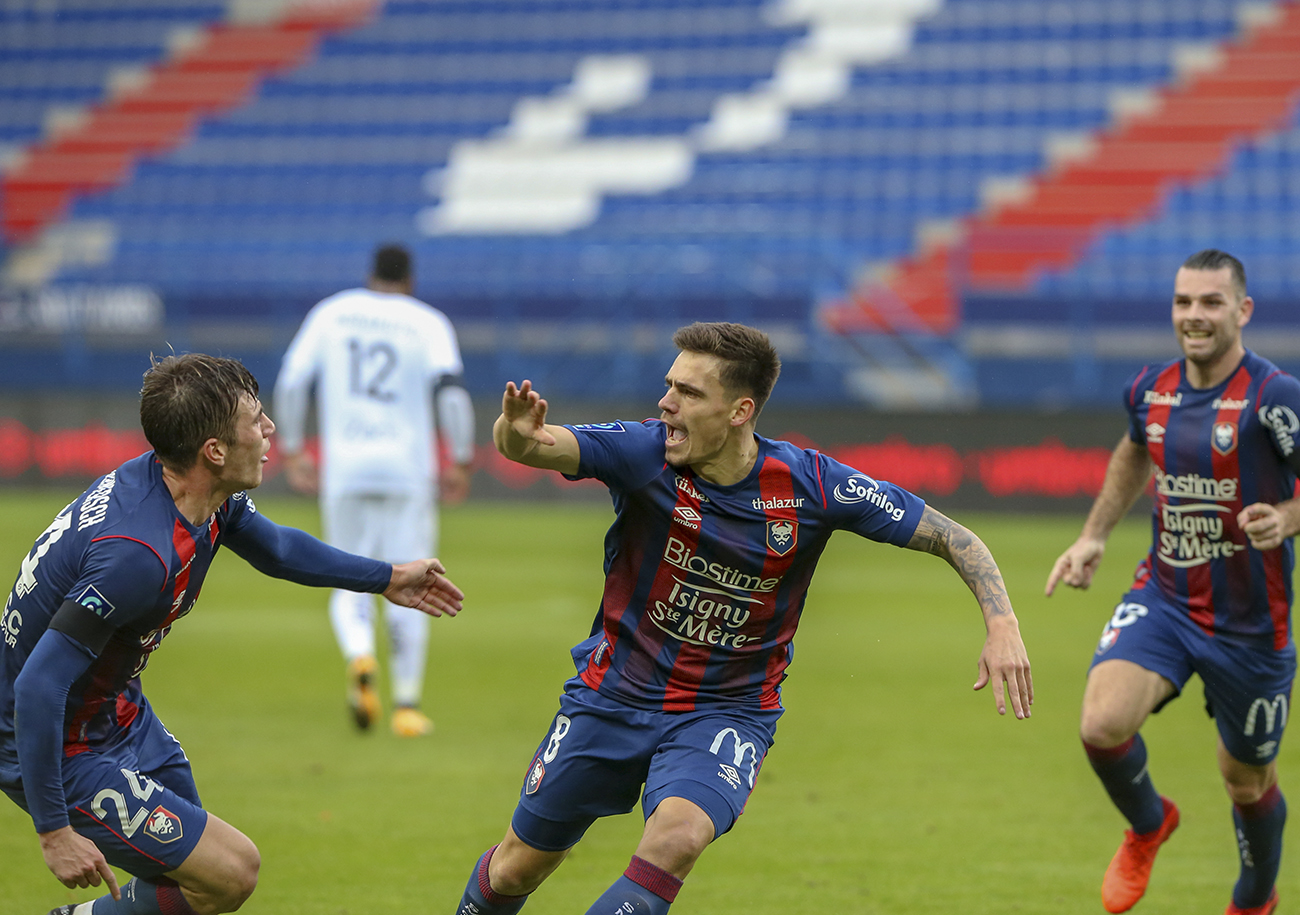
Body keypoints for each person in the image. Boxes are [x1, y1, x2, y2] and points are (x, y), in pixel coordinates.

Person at [453, 321, 1033, 915]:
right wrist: (513, 432)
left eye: (690, 393)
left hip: (725, 711)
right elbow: (531, 444)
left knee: (676, 837)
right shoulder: (642, 451)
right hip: (612, 695)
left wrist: (1003, 625)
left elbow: (953, 537)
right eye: (669, 385)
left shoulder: (811, 484)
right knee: (517, 867)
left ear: (740, 410)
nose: (666, 403)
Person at [0, 353, 464, 915]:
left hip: (115, 710)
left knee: (194, 885)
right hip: (52, 741)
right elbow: (36, 687)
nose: (270, 431)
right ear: (214, 452)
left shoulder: (193, 493)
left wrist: (388, 577)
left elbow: (278, 549)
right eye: (256, 419)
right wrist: (53, 831)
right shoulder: (136, 556)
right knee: (229, 873)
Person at [1046, 249, 1295, 915]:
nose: (1195, 315)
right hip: (1166, 597)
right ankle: (1150, 823)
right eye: (1184, 302)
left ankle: (1254, 899)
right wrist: (1094, 534)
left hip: (1251, 625)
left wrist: (1289, 516)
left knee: (1245, 782)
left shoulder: (1275, 397)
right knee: (1101, 722)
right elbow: (1135, 448)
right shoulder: (1150, 389)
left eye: (1211, 302)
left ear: (1242, 310)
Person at [274, 243, 474, 737]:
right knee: (417, 574)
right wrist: (462, 455)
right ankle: (407, 705)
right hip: (408, 469)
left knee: (349, 572)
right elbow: (450, 391)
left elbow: (294, 380)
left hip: (346, 467)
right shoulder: (427, 321)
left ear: (370, 275)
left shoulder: (333, 313)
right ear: (410, 280)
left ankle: (361, 657)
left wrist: (295, 448)